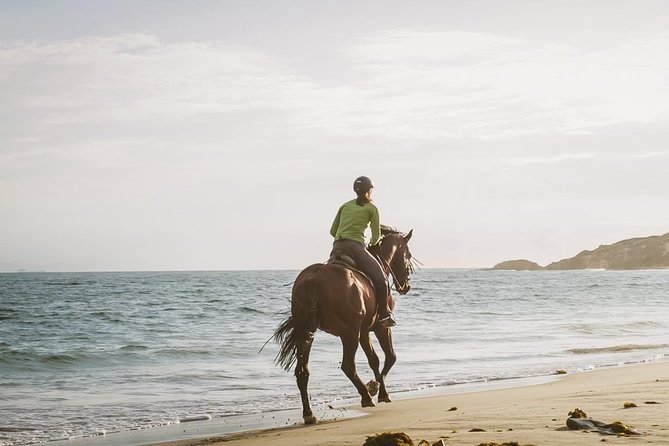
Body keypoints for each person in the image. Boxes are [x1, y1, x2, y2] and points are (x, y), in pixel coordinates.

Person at [329, 176, 396, 327]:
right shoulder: (372, 208)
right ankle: (384, 314)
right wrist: (371, 243)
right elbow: (376, 236)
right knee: (381, 279)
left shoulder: (345, 206)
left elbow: (333, 231)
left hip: (337, 246)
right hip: (355, 247)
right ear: (369, 191)